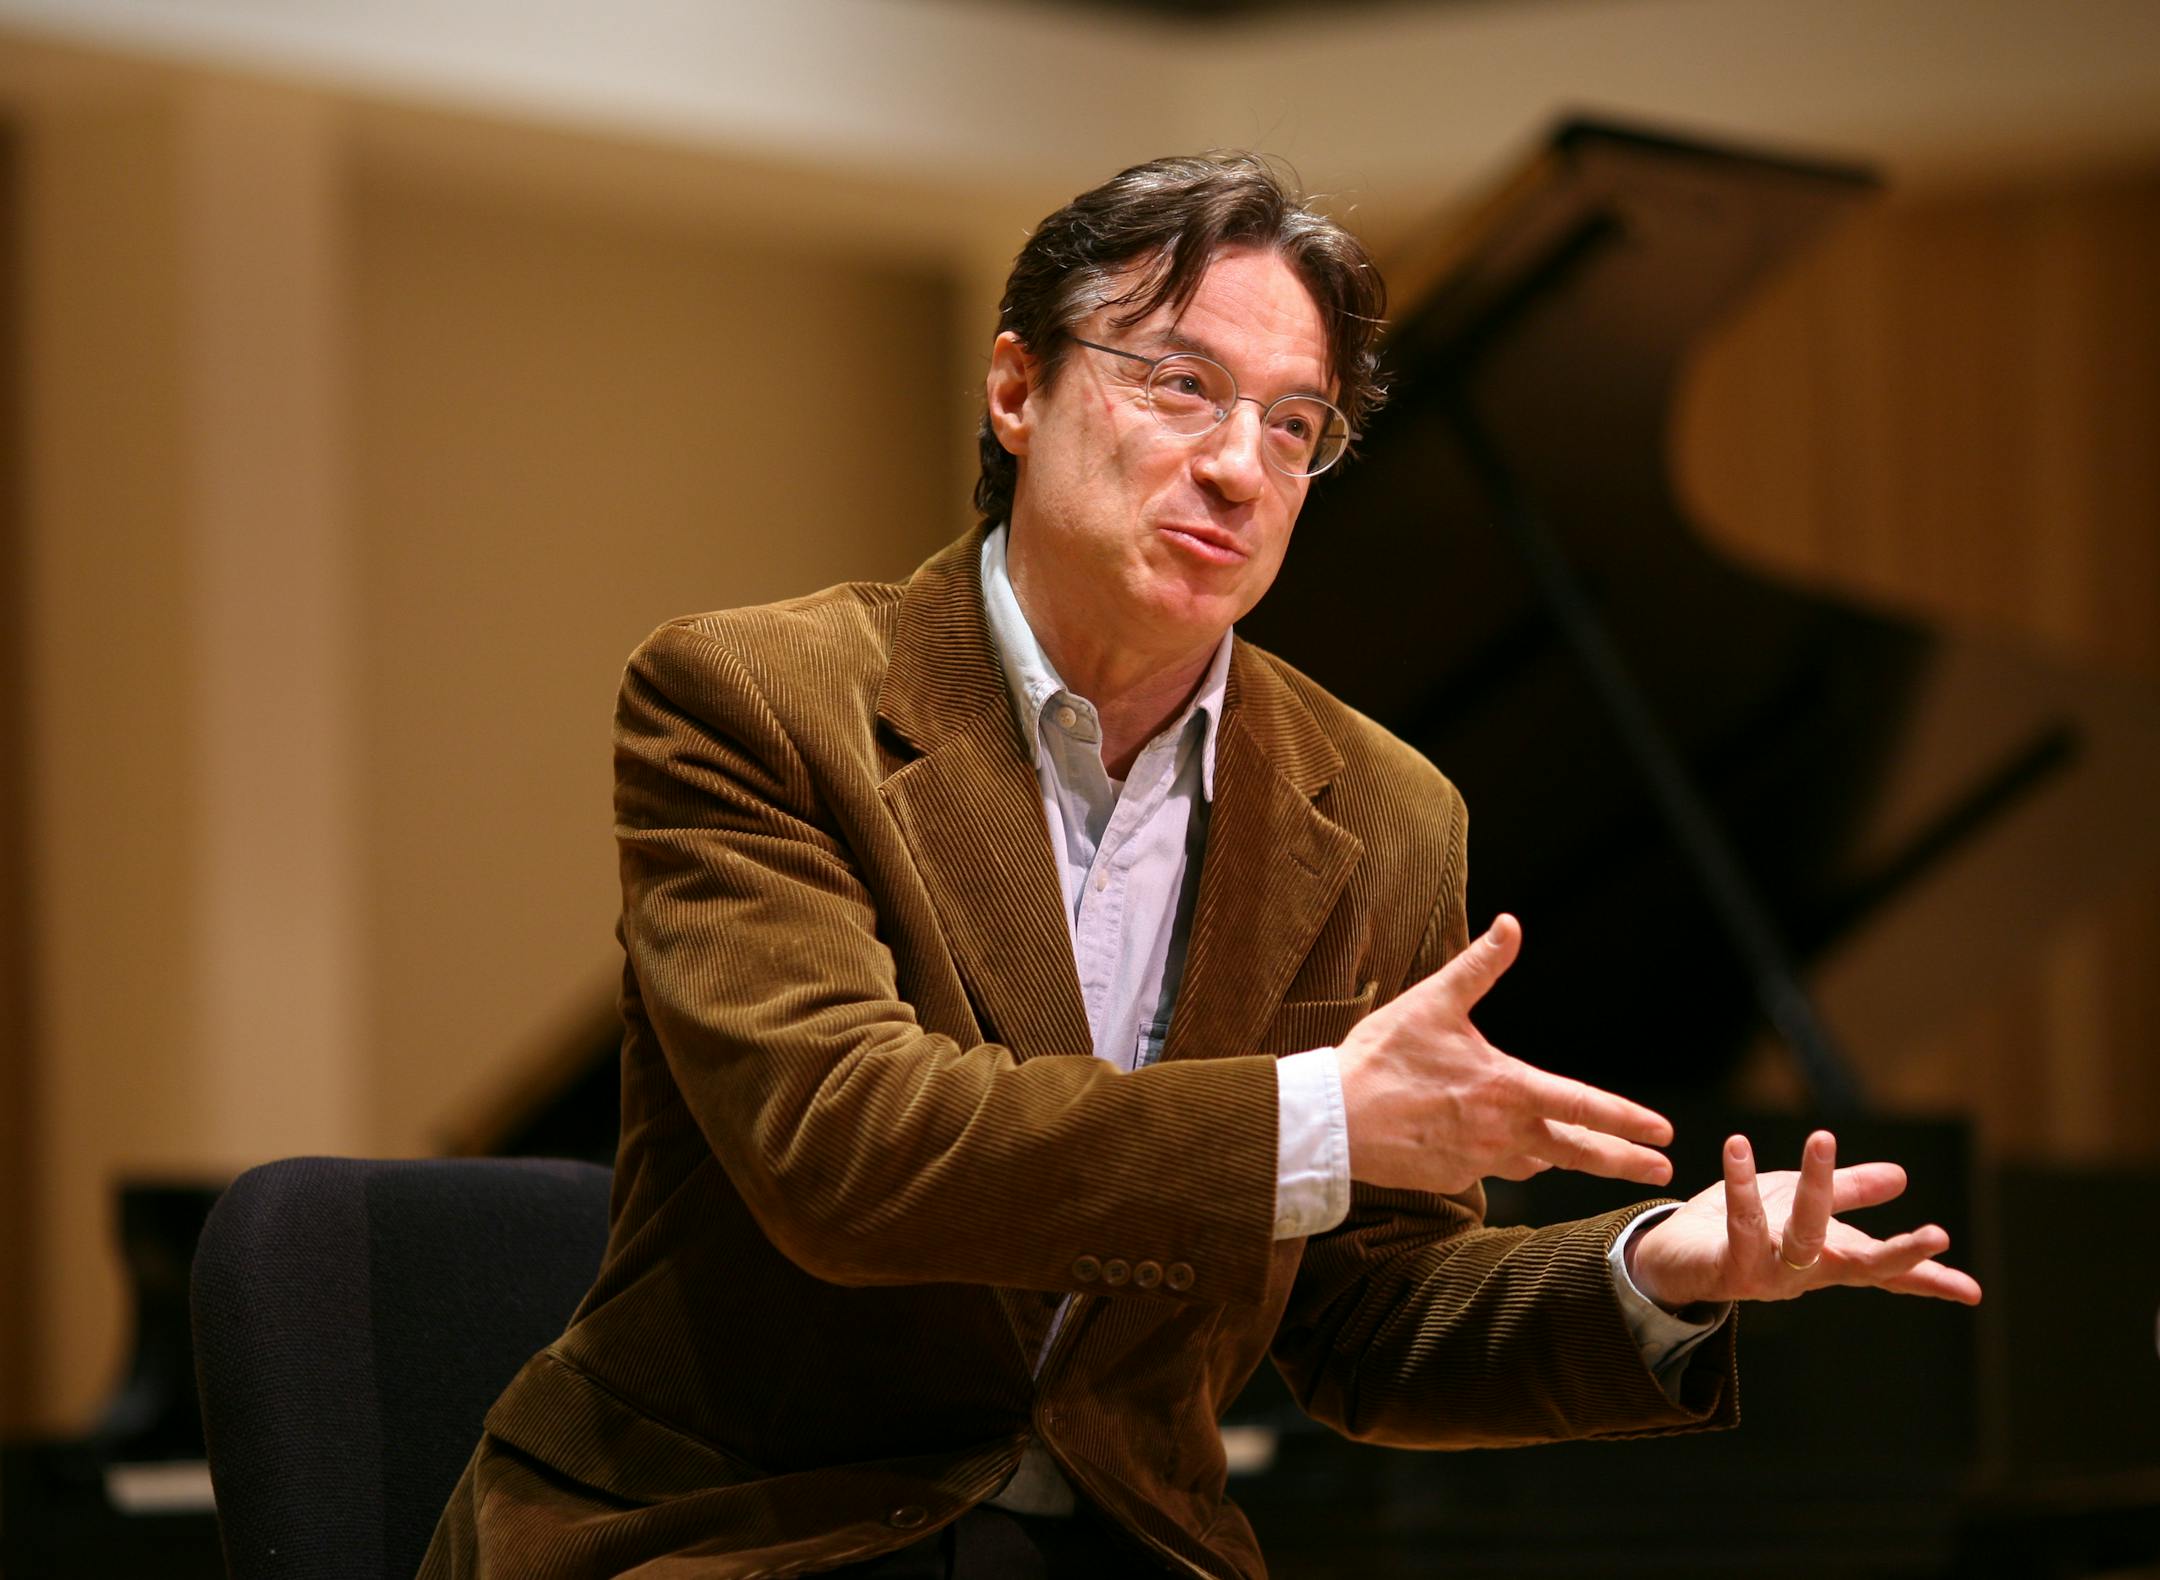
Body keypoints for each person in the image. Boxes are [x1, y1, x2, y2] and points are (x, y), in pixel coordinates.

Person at [420, 153, 1980, 1580]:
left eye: (1294, 425)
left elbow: (1365, 1326)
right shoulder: (753, 698)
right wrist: (1319, 1116)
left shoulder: (1382, 809)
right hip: (751, 1535)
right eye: (1182, 386)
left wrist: (1652, 1274)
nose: (1241, 466)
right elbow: (852, 1153)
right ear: (1018, 390)